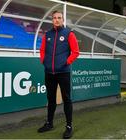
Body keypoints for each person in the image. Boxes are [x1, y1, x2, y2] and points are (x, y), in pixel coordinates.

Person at [38, 10, 79, 139]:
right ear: (52, 20)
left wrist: (66, 63)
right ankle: (49, 123)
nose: (57, 20)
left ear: (63, 20)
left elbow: (76, 52)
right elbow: (42, 50)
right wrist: (44, 61)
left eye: (59, 18)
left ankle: (68, 126)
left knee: (67, 99)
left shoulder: (69, 34)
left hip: (63, 72)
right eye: (54, 18)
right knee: (50, 99)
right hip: (49, 72)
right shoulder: (47, 35)